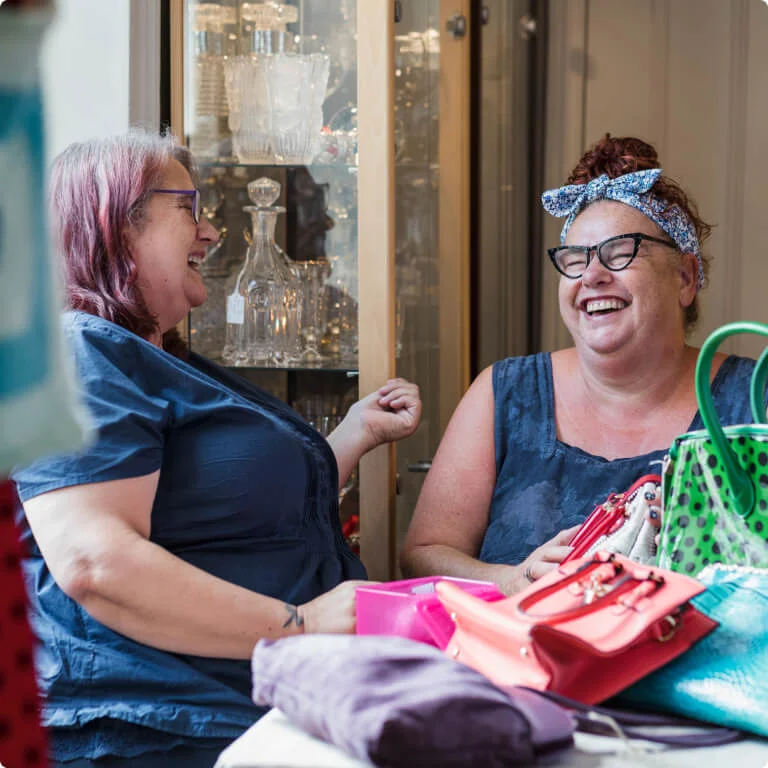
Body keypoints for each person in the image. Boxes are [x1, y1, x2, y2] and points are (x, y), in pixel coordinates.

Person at [12, 131, 421, 768]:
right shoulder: (80, 352)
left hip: (244, 712)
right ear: (117, 223)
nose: (209, 233)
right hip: (155, 725)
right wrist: (301, 625)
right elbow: (96, 563)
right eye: (190, 209)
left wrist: (354, 435)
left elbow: (238, 516)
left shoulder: (160, 361)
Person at [401, 133, 761, 595]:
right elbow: (424, 552)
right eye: (575, 259)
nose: (591, 276)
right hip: (517, 662)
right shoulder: (503, 392)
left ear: (685, 278)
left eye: (620, 252)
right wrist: (508, 580)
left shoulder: (754, 400)